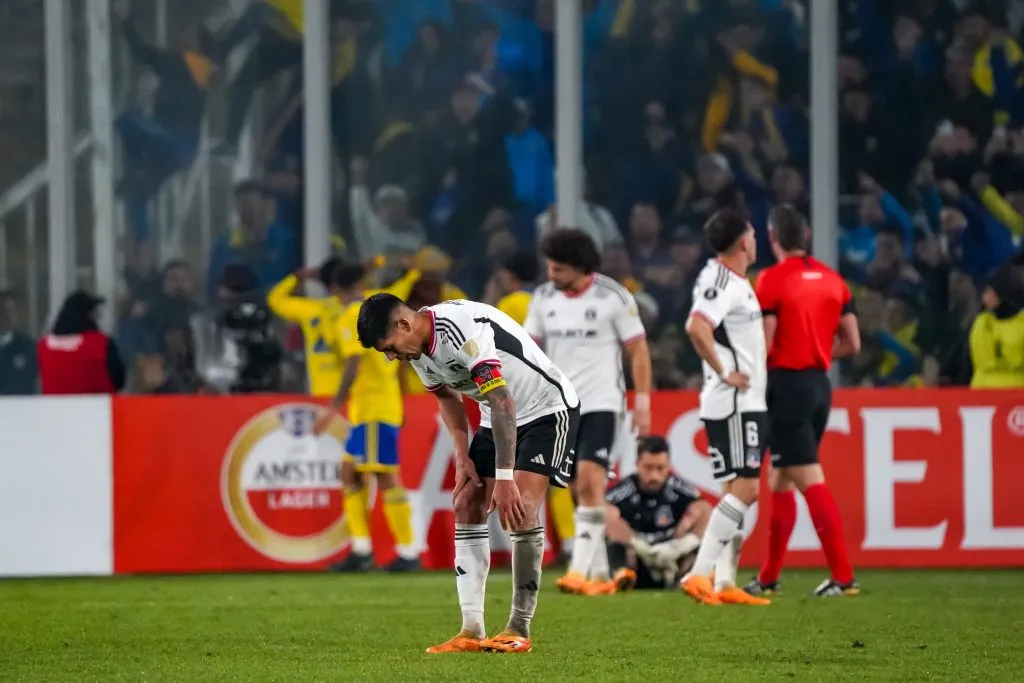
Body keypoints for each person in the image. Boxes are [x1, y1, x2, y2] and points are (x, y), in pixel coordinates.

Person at [356, 293, 580, 654]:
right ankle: (470, 630)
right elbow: (448, 398)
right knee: (465, 502)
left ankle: (518, 628)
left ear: (404, 324)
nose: (391, 357)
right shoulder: (418, 349)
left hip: (545, 410)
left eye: (390, 348)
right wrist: (462, 456)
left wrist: (504, 478)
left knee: (520, 507)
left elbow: (503, 398)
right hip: (496, 417)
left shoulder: (460, 329)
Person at [526, 228, 652, 596]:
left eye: (559, 269)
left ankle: (578, 571)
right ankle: (600, 571)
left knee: (589, 481)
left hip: (602, 402)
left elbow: (638, 351)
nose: (551, 274)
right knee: (576, 490)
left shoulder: (614, 297)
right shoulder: (542, 298)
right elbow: (529, 350)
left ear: (581, 267)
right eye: (550, 267)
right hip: (559, 404)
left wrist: (643, 401)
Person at [745, 205, 862, 598]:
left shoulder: (771, 280)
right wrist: (819, 353)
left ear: (773, 237)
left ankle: (844, 577)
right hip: (819, 386)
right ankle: (768, 577)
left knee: (809, 478)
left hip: (785, 386)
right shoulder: (834, 280)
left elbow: (764, 343)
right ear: (806, 236)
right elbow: (853, 343)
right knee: (780, 478)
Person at [679, 208, 770, 606]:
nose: (755, 240)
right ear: (744, 242)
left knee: (734, 491)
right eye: (753, 234)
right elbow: (696, 326)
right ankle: (699, 574)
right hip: (736, 402)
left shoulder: (734, 280)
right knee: (746, 489)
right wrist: (723, 372)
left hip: (744, 401)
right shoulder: (721, 281)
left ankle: (725, 582)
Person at [311, 262, 423, 572]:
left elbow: (353, 362)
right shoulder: (378, 311)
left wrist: (332, 408)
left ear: (335, 290)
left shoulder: (351, 315)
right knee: (350, 473)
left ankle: (408, 552)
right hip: (375, 407)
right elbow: (401, 358)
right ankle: (361, 550)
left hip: (373, 409)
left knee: (385, 477)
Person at [494, 250, 576, 561]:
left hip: (521, 398)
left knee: (519, 476)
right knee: (556, 476)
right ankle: (571, 543)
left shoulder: (508, 305)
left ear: (509, 275)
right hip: (559, 393)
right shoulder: (549, 302)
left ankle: (525, 546)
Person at [267, 258, 421, 397]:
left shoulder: (311, 311)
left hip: (323, 392)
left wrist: (297, 277)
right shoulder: (367, 304)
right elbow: (400, 290)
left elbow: (275, 299)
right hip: (358, 393)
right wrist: (411, 271)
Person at [605, 435, 711, 591]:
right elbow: (603, 511)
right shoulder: (623, 490)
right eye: (648, 468)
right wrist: (637, 545)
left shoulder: (679, 488)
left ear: (668, 465)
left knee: (706, 522)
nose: (654, 475)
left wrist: (681, 545)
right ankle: (622, 577)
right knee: (605, 517)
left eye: (660, 468)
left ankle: (686, 580)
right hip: (637, 558)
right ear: (637, 464)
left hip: (671, 558)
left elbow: (705, 509)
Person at [38, 291, 126, 395]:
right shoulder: (100, 344)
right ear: (88, 316)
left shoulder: (43, 347)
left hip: (52, 405)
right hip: (98, 404)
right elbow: (118, 380)